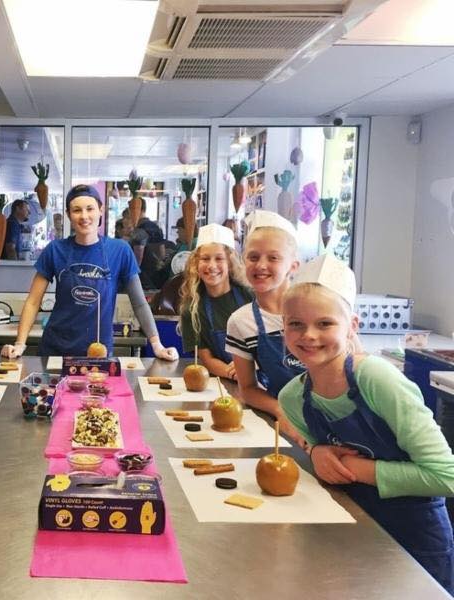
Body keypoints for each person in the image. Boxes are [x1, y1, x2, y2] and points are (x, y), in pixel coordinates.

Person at [279, 255, 454, 593]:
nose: (309, 335)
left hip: (415, 541)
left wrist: (358, 470)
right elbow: (320, 450)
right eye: (296, 324)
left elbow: (446, 475)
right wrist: (315, 452)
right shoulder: (294, 398)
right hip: (348, 530)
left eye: (325, 323)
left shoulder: (376, 379)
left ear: (352, 326)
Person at [1, 184, 178, 361]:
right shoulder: (55, 250)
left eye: (90, 209)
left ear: (100, 211)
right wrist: (19, 344)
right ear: (69, 215)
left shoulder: (120, 250)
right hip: (55, 351)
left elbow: (139, 303)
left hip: (98, 352)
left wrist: (157, 345)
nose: (84, 216)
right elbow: (33, 302)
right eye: (76, 210)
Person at [225, 210, 304, 443]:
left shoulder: (318, 309)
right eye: (253, 257)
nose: (261, 265)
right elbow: (247, 389)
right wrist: (280, 410)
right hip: (289, 425)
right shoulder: (241, 323)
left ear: (293, 266)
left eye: (273, 258)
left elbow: (356, 366)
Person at [179, 224, 252, 380]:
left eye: (219, 258)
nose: (212, 266)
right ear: (196, 264)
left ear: (230, 263)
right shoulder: (192, 311)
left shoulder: (250, 297)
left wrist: (249, 370)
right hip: (225, 381)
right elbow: (207, 360)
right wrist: (233, 373)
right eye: (205, 259)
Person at [129, 198, 168, 289]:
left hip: (142, 276)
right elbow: (161, 254)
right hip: (154, 274)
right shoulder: (155, 227)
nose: (130, 214)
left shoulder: (139, 230)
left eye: (131, 209)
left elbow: (137, 258)